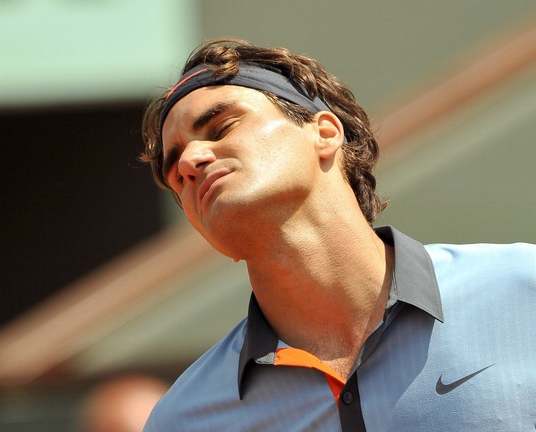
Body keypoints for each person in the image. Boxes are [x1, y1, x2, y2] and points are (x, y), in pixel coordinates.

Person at [140, 39, 536, 431]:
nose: (192, 161)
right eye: (176, 174)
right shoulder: (181, 419)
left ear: (325, 133)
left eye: (221, 126)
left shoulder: (524, 287)